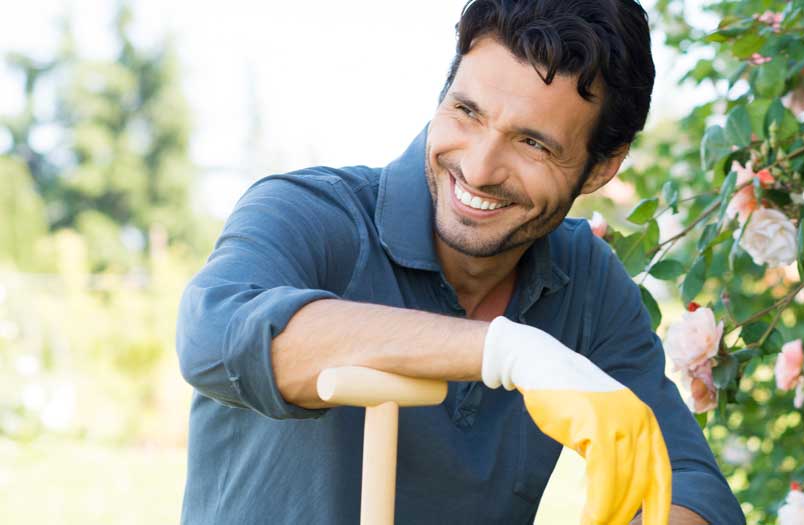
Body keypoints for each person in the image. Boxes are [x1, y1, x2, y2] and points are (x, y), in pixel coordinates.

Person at [175, 1, 744, 523]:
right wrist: (506, 352)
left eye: (534, 144)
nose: (478, 168)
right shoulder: (312, 215)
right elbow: (215, 334)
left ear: (601, 168)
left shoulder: (587, 283)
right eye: (467, 112)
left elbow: (693, 487)